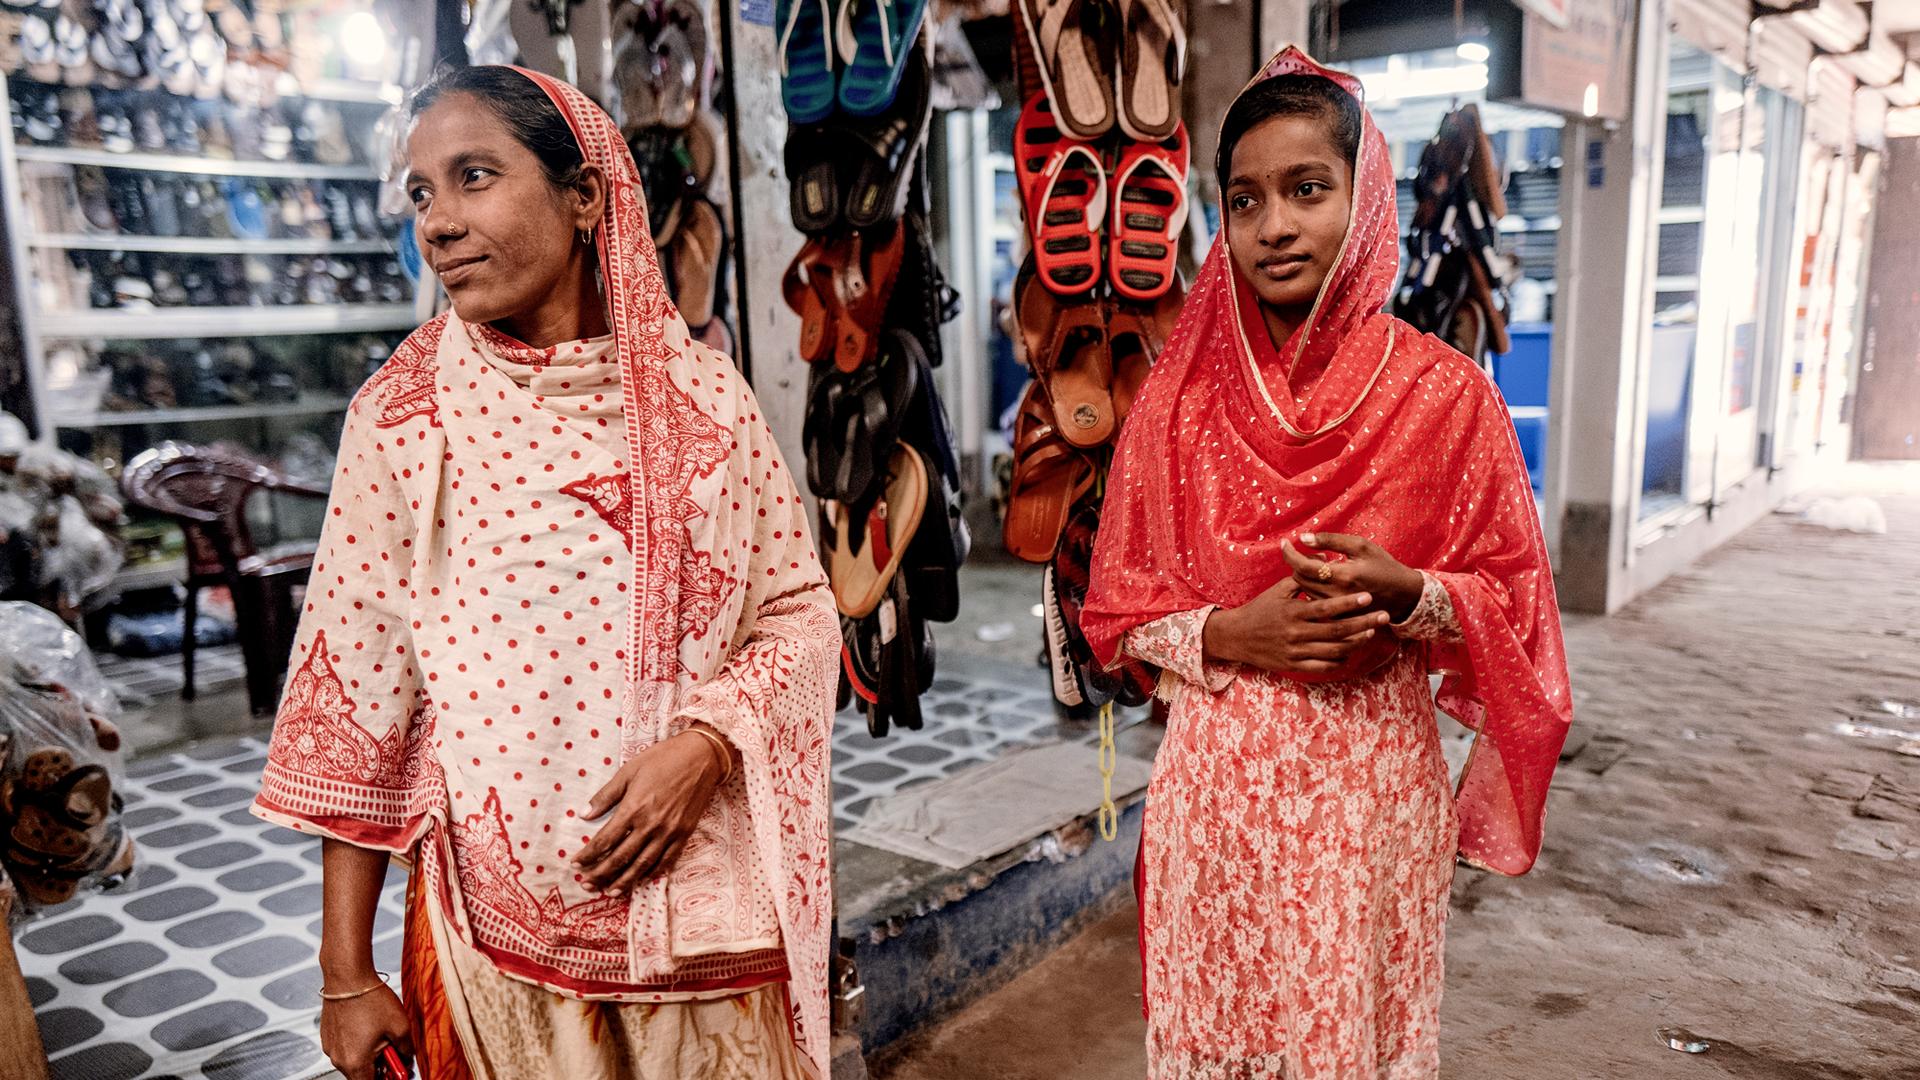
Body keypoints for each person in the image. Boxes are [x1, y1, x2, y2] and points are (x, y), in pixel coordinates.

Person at [251, 65, 840, 1080]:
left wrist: (707, 743)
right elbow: (353, 711)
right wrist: (344, 976)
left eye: (475, 175)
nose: (438, 222)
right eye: (423, 193)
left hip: (699, 944)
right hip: (496, 962)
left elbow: (797, 609)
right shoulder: (403, 417)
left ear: (584, 197)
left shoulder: (707, 402)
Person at [1081, 47, 1574, 1079]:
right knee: (1216, 1040)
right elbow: (1116, 614)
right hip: (1217, 796)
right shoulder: (1181, 406)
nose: (1274, 226)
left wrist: (1414, 594)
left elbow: (1516, 605)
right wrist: (1231, 631)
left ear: (1366, 196)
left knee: (1349, 1042)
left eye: (1308, 189)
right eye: (1246, 199)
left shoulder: (1447, 400)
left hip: (1368, 805)